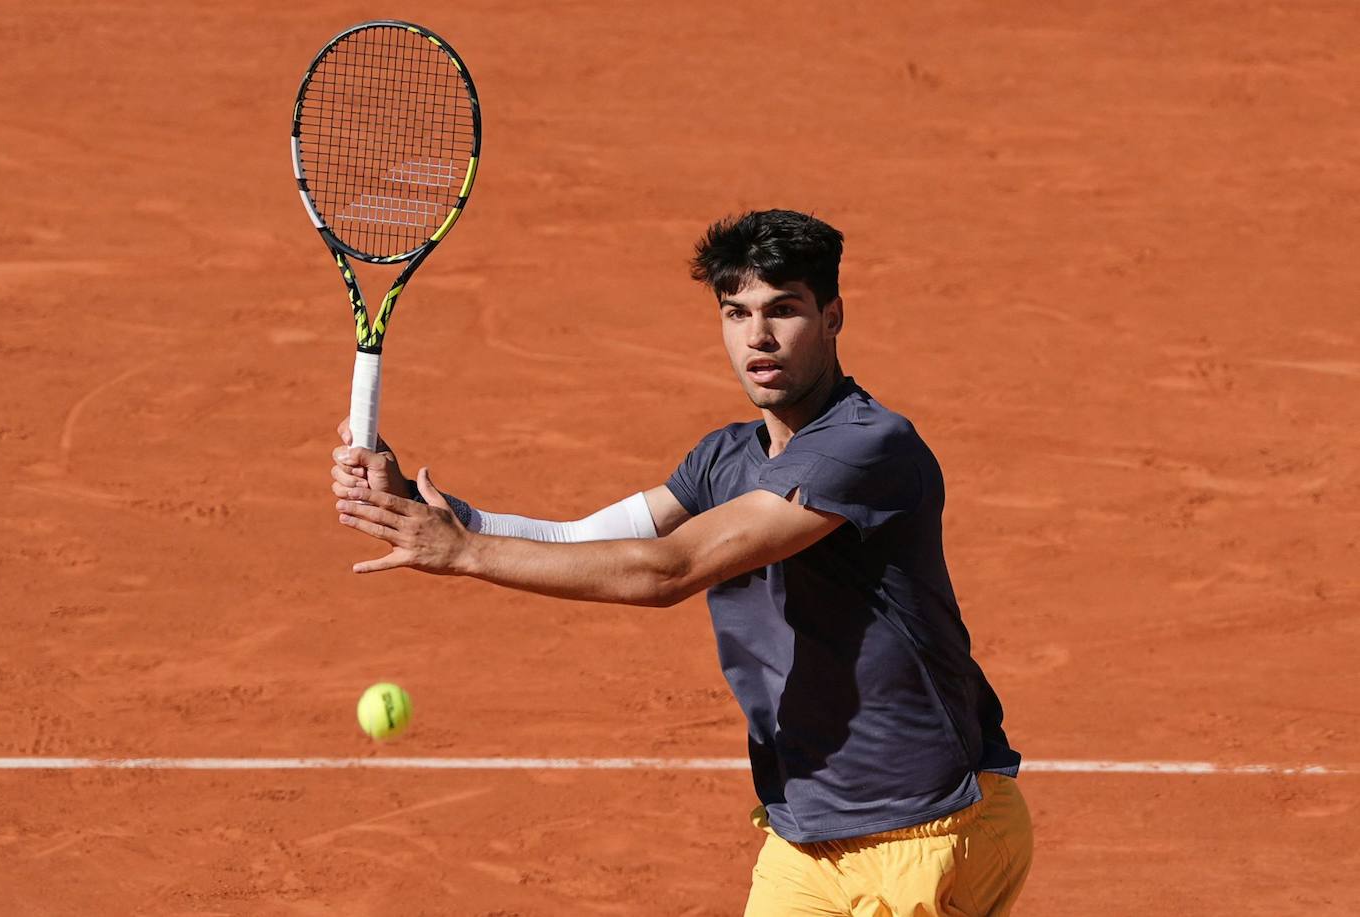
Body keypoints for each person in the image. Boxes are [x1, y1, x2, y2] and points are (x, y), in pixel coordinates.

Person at [330, 209, 1033, 915]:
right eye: (736, 312)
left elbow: (668, 568)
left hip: (931, 827)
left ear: (833, 315)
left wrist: (464, 554)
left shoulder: (867, 448)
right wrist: (446, 514)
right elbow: (584, 540)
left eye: (782, 310)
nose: (757, 336)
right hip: (805, 836)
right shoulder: (723, 458)